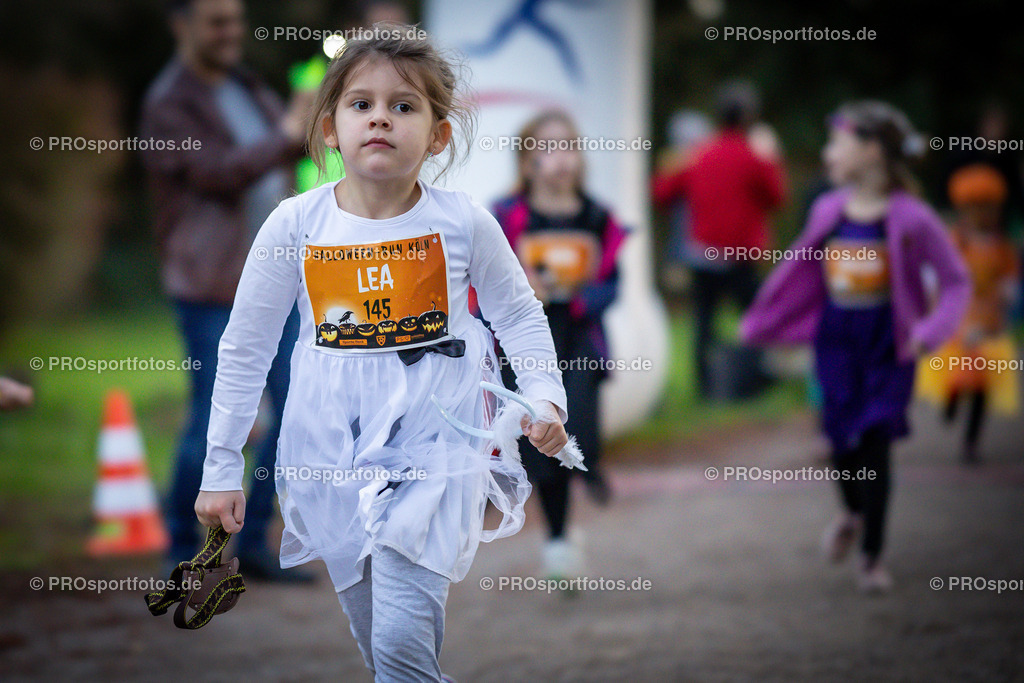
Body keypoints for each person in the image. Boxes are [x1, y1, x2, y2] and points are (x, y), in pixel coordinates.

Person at [194, 24, 569, 681]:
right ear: (331, 127)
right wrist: (222, 464)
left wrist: (545, 393)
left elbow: (518, 313)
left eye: (404, 106)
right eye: (361, 104)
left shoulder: (463, 222)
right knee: (385, 653)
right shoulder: (296, 223)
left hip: (435, 452)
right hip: (330, 454)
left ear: (438, 134)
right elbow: (246, 345)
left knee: (398, 654)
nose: (380, 119)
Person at [740, 101, 970, 593]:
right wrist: (766, 322)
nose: (827, 154)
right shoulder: (827, 209)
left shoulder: (914, 217)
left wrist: (930, 331)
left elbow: (955, 282)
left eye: (837, 144)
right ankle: (850, 513)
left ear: (870, 151)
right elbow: (796, 275)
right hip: (836, 343)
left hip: (889, 346)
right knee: (841, 441)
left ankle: (872, 559)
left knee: (876, 442)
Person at [138, 0, 313, 581]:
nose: (230, 32)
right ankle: (182, 552)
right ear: (180, 24)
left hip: (278, 281)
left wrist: (310, 127)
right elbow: (216, 173)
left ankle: (256, 541)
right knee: (213, 422)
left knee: (294, 412)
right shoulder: (168, 104)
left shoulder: (247, 85)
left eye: (235, 20)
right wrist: (287, 133)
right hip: (210, 284)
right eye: (216, 21)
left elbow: (289, 155)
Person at [491, 109, 627, 579]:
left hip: (580, 341)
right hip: (524, 347)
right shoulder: (508, 216)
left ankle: (593, 468)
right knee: (544, 442)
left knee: (582, 430)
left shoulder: (597, 217)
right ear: (527, 161)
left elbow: (611, 283)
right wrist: (527, 289)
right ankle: (558, 542)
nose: (561, 158)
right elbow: (486, 278)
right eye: (547, 147)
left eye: (568, 145)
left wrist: (578, 300)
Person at [652, 81, 786, 398]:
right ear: (750, 117)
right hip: (743, 256)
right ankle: (752, 383)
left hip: (704, 254)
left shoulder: (698, 154)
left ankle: (705, 389)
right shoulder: (756, 157)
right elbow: (778, 197)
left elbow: (662, 192)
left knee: (703, 323)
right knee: (755, 319)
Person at [917, 164, 1020, 463]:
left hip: (988, 322)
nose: (985, 214)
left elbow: (1009, 280)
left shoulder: (1002, 246)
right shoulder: (955, 241)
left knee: (982, 385)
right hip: (958, 319)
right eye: (978, 207)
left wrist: (1005, 296)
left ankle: (971, 441)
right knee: (959, 375)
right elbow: (936, 276)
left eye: (990, 207)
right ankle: (950, 402)